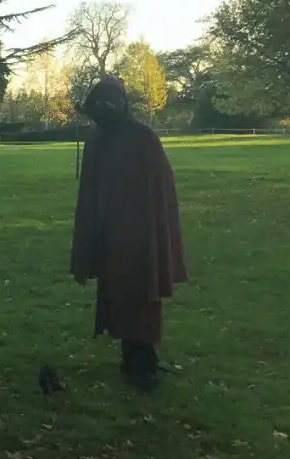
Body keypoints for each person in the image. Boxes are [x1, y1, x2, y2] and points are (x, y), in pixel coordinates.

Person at [70, 75, 187, 391]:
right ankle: (134, 360)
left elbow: (158, 191)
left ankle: (141, 361)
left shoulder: (141, 139)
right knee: (123, 294)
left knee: (140, 293)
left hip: (139, 232)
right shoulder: (102, 138)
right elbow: (93, 190)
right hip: (115, 232)